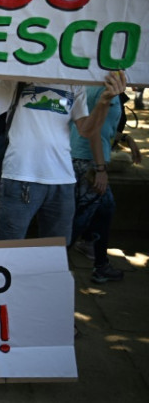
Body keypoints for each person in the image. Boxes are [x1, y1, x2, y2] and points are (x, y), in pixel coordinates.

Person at [0, 69, 126, 241]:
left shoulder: (74, 82)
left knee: (57, 248)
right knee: (8, 245)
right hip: (20, 176)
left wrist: (104, 101)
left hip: (62, 180)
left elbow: (86, 130)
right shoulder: (17, 79)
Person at [70, 86, 124, 283]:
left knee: (105, 209)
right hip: (88, 160)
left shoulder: (90, 83)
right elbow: (93, 130)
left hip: (83, 157)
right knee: (79, 218)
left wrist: (126, 138)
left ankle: (101, 264)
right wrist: (100, 168)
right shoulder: (104, 88)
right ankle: (51, 264)